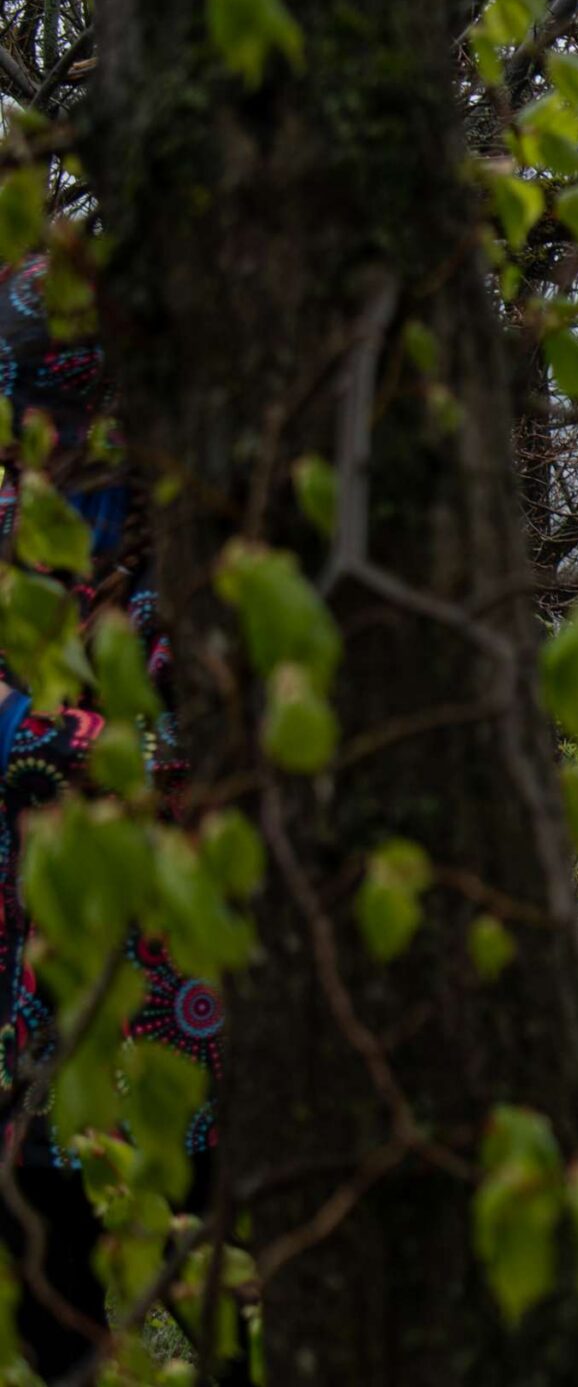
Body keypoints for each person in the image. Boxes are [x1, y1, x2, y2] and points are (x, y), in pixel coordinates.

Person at [0, 257, 247, 1383]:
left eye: (64, 413)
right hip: (23, 1027)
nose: (42, 447)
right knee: (51, 1322)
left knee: (233, 1306)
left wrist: (41, 735)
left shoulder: (202, 547)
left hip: (183, 1022)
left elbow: (202, 748)